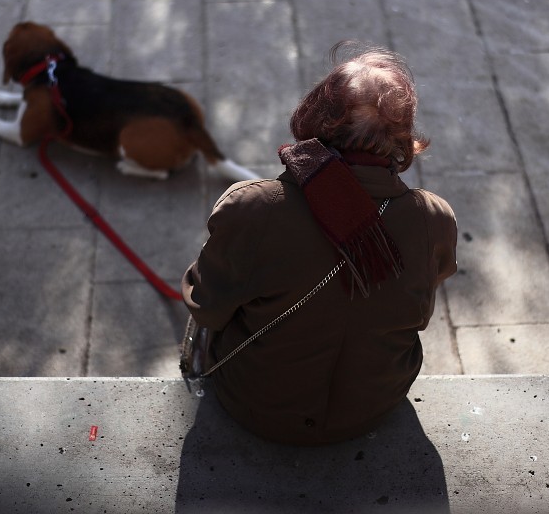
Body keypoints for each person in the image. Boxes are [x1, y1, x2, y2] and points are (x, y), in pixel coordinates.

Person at [181, 41, 458, 445]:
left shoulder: (254, 207)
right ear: (402, 139)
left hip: (257, 406)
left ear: (312, 115)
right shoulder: (434, 218)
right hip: (373, 406)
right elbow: (421, 308)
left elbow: (206, 306)